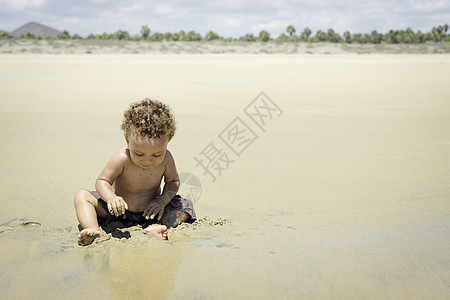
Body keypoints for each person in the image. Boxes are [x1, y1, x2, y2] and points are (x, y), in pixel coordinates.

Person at [74, 99, 196, 246]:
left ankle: (157, 226)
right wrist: (111, 198)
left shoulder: (167, 159)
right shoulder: (122, 158)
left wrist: (161, 200)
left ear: (168, 140)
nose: (147, 161)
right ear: (127, 139)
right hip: (118, 210)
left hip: (151, 212)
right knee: (82, 196)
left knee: (185, 206)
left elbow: (173, 182)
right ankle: (93, 228)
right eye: (139, 154)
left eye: (157, 155)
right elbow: (102, 181)